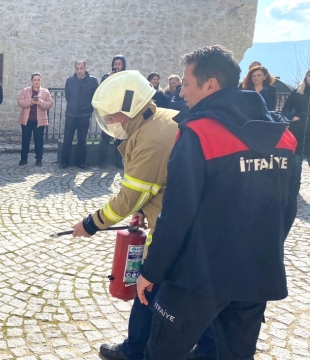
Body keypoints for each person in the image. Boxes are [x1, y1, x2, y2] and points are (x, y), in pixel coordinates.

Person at [137, 45, 298, 360]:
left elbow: (176, 214)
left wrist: (151, 270)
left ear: (210, 85)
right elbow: (286, 210)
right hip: (256, 274)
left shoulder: (198, 133)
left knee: (162, 353)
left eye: (186, 83)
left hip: (196, 276)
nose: (181, 91)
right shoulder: (285, 138)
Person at [69, 70, 216, 360]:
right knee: (201, 297)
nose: (110, 122)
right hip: (196, 228)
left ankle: (135, 350)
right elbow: (153, 187)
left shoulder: (151, 140)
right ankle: (210, 351)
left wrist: (90, 223)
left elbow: (127, 199)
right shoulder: (161, 117)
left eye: (112, 116)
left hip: (174, 232)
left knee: (147, 288)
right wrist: (141, 211)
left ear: (129, 109)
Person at [60, 61, 99, 168]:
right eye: (77, 68)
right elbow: (68, 96)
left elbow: (94, 96)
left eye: (81, 68)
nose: (79, 71)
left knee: (82, 139)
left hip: (84, 115)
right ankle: (64, 162)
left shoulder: (92, 81)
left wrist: (88, 108)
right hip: (71, 114)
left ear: (85, 68)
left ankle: (81, 162)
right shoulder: (70, 81)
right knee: (67, 138)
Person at [17, 72, 53, 166]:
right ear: (32, 81)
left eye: (38, 79)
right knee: (25, 140)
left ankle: (39, 160)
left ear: (41, 80)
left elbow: (49, 104)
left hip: (39, 121)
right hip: (26, 120)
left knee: (39, 141)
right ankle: (23, 159)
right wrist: (30, 101)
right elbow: (20, 102)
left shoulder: (45, 92)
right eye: (35, 80)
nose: (36, 82)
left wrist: (40, 102)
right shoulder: (26, 91)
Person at [282, 68, 310, 180]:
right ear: (306, 77)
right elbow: (285, 110)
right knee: (296, 168)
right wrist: (292, 117)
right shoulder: (297, 92)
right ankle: (293, 194)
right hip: (297, 134)